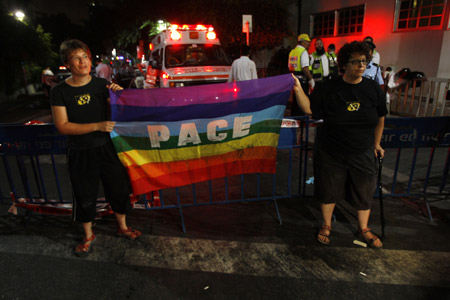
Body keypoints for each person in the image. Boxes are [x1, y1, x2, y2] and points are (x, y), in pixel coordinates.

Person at [50, 39, 141, 257]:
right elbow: (62, 126)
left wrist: (118, 97)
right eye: (76, 58)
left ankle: (123, 227)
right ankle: (88, 234)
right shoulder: (59, 91)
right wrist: (97, 126)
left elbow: (121, 111)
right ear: (67, 64)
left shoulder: (102, 85)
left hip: (107, 147)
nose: (82, 62)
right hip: (80, 152)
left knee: (118, 188)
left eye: (85, 57)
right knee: (84, 193)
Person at [292, 41, 387, 248]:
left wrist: (377, 144)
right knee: (329, 189)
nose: (361, 66)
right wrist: (298, 90)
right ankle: (327, 225)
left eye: (363, 61)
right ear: (344, 64)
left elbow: (380, 118)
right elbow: (310, 109)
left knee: (364, 190)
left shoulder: (372, 89)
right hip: (331, 151)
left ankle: (364, 228)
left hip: (362, 151)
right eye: (355, 62)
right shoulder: (329, 88)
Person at [288, 33, 314, 116]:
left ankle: (294, 122)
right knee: (302, 103)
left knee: (295, 103)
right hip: (302, 81)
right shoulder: (303, 52)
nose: (309, 44)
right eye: (307, 42)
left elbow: (289, 66)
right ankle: (301, 122)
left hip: (293, 80)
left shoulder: (292, 52)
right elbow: (305, 68)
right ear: (302, 42)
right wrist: (311, 79)